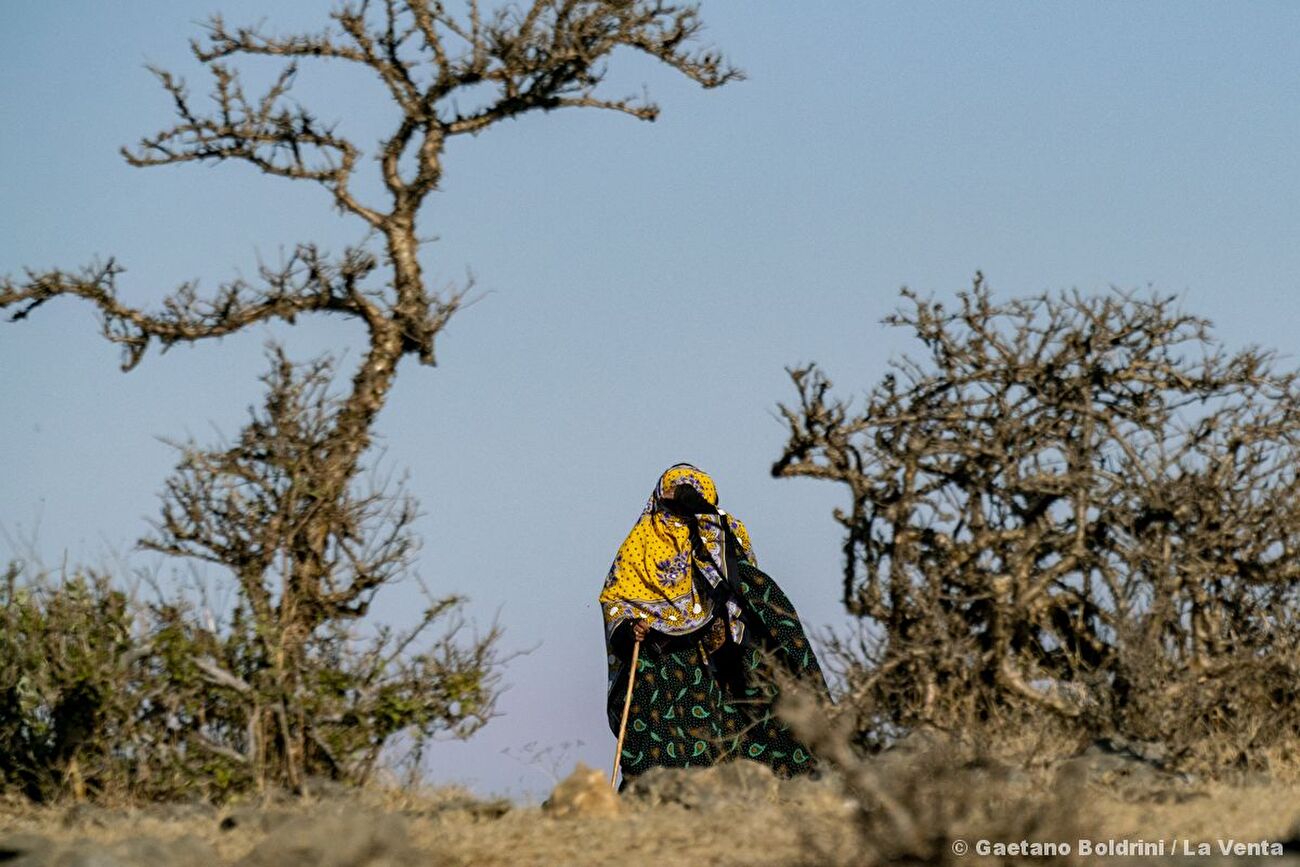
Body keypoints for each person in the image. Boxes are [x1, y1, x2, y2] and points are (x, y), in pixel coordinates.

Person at [599, 463, 829, 785]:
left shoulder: (723, 532)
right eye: (675, 506)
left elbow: (744, 580)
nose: (681, 518)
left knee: (768, 710)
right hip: (667, 661)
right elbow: (617, 601)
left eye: (688, 506)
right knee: (664, 747)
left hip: (728, 652)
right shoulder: (641, 545)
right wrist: (629, 630)